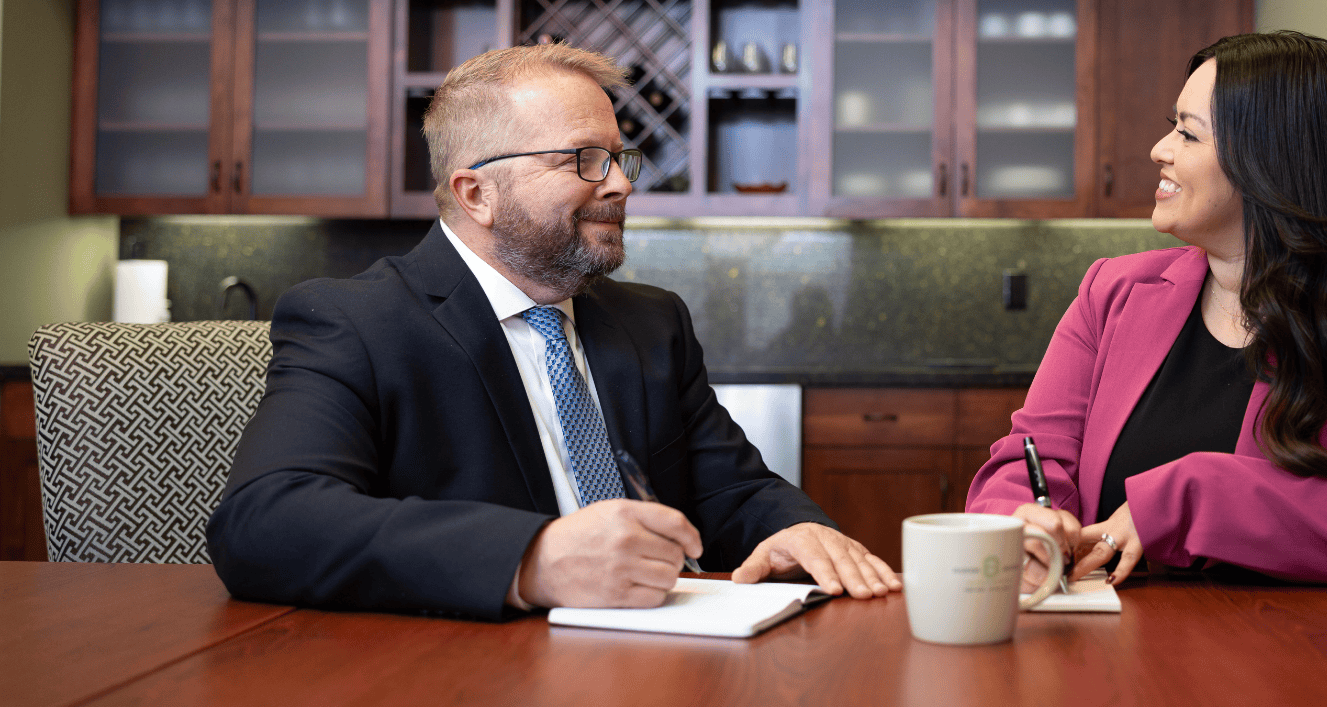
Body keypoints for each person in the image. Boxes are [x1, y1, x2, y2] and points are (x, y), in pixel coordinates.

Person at [206, 43, 899, 620]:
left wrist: (794, 528)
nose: (622, 185)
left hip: (671, 661)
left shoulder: (652, 323)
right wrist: (533, 558)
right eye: (582, 160)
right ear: (477, 192)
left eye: (619, 159)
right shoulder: (355, 321)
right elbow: (267, 523)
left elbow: (732, 492)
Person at [966, 31, 1327, 587]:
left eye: (1188, 133)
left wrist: (1190, 498)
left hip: (1293, 661)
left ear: (1271, 163)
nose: (1160, 149)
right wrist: (1018, 522)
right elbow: (1026, 460)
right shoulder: (1112, 293)